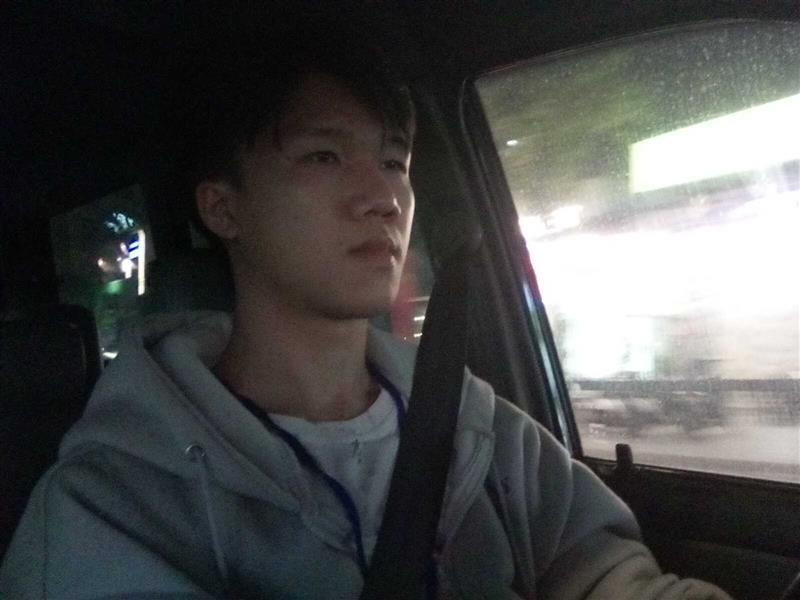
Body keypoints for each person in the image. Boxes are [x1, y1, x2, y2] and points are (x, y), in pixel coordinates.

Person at [0, 24, 732, 600]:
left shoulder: (478, 427)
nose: (382, 198)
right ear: (223, 208)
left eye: (392, 162)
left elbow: (603, 574)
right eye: (323, 156)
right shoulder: (113, 501)